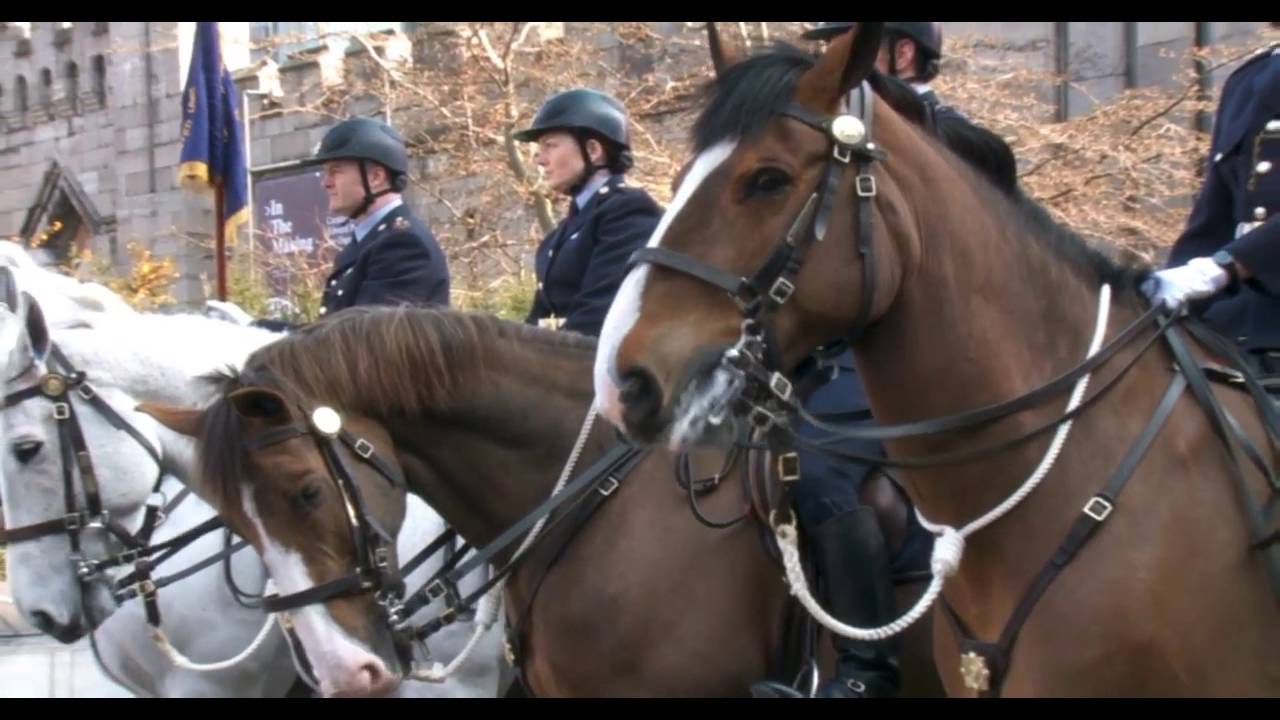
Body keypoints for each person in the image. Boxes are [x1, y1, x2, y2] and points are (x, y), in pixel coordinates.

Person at [1145, 34, 1280, 386]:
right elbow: (1214, 214)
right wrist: (1163, 294)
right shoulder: (1250, 78)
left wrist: (1221, 268)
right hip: (1239, 323)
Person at [512, 89, 662, 337]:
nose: (540, 159)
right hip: (559, 353)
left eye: (550, 145)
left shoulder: (628, 211)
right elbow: (537, 320)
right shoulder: (560, 234)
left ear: (593, 150)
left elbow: (597, 317)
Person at [310, 116, 450, 318]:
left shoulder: (402, 245)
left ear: (376, 177)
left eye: (336, 171)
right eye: (325, 172)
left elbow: (372, 333)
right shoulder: (371, 241)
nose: (326, 183)